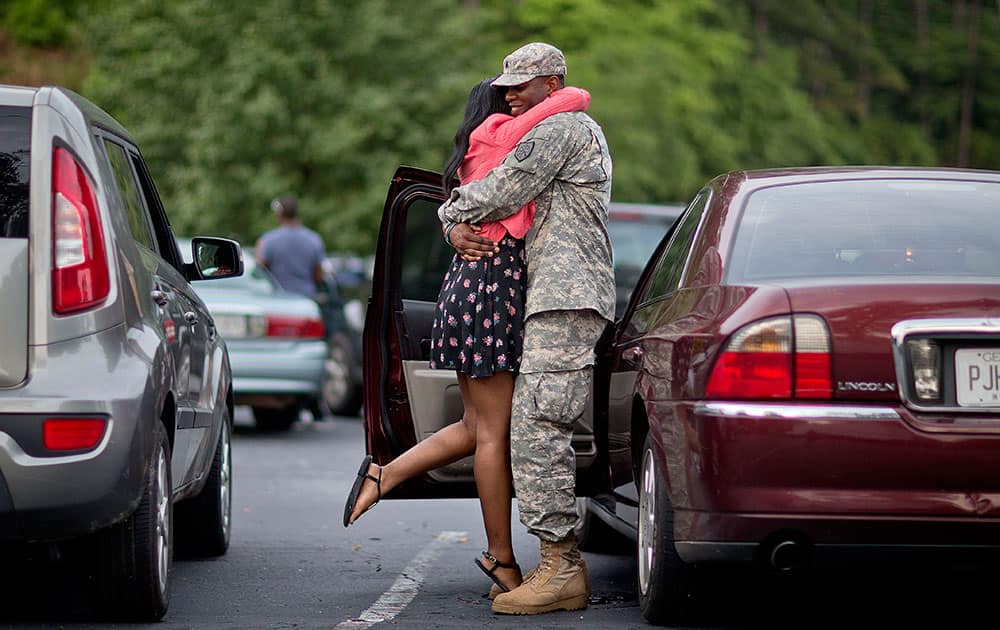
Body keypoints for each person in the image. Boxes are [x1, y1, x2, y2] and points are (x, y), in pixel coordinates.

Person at [342, 76, 591, 600]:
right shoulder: (503, 137)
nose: (518, 103)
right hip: (493, 291)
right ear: (495, 113)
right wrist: (557, 92)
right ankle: (500, 555)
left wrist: (449, 221)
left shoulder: (472, 152)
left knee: (474, 423)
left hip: (464, 292)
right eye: (507, 98)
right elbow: (569, 101)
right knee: (492, 434)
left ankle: (382, 477)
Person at [437, 42, 615, 616]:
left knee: (539, 427)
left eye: (521, 84)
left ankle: (561, 567)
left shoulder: (562, 127)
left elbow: (500, 190)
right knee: (533, 424)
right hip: (555, 295)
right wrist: (458, 230)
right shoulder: (557, 126)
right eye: (506, 84)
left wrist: (447, 214)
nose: (509, 93)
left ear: (554, 81)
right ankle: (555, 562)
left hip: (566, 297)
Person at [255, 196, 325, 298]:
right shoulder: (314, 239)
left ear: (279, 215)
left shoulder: (268, 240)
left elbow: (259, 271)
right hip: (307, 300)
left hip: (278, 299)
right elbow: (319, 276)